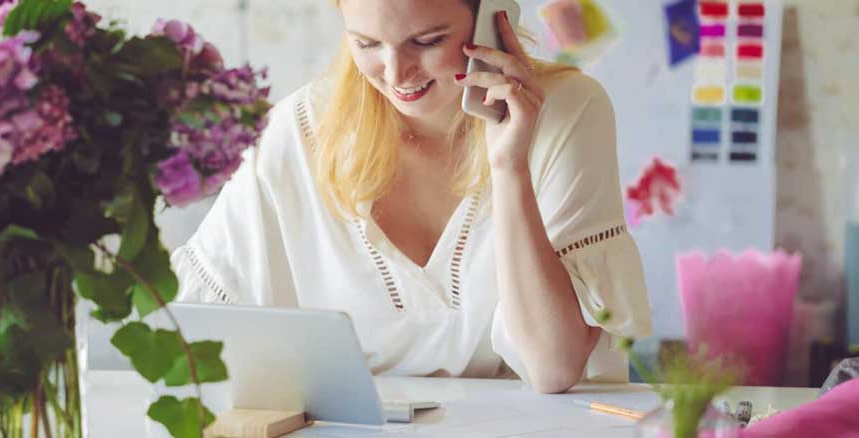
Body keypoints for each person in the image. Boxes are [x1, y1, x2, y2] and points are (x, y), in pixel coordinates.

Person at [171, 0, 651, 394]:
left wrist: (510, 166)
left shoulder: (568, 113)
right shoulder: (292, 134)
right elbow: (196, 340)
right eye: (367, 43)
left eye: (427, 41)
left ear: (494, 17)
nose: (397, 72)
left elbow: (552, 367)